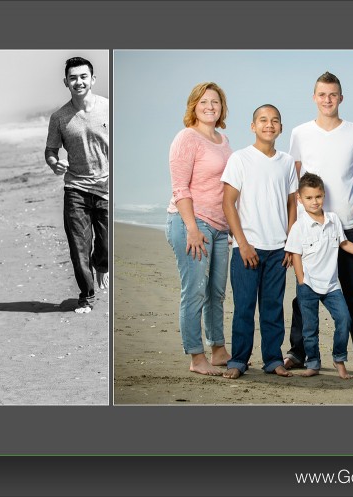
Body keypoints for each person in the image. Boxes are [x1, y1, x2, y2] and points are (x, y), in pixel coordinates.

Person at [283, 72, 353, 372]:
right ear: (314, 97)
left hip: (345, 227)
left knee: (352, 294)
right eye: (322, 94)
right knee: (304, 293)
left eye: (333, 94)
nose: (327, 100)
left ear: (341, 98)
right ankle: (298, 352)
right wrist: (292, 232)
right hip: (309, 230)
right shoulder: (299, 133)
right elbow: (295, 186)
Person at [220, 104, 297, 379]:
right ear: (253, 126)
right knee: (243, 308)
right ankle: (238, 360)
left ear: (280, 127)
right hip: (247, 248)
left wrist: (291, 244)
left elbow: (292, 206)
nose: (269, 124)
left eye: (275, 120)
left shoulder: (287, 162)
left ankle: (272, 359)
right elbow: (228, 203)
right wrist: (242, 243)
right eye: (263, 120)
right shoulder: (240, 159)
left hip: (278, 249)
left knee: (273, 308)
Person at [164, 82, 232, 376]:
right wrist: (192, 228)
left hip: (219, 228)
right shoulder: (186, 138)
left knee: (216, 292)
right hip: (192, 224)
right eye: (204, 102)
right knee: (194, 292)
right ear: (193, 105)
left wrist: (229, 227)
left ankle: (217, 349)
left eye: (215, 102)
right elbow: (180, 187)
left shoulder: (223, 139)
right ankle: (196, 356)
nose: (210, 107)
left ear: (222, 107)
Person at [45, 56, 110, 315]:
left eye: (83, 76)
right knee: (78, 246)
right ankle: (86, 296)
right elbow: (50, 151)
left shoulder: (109, 108)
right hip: (75, 190)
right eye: (73, 78)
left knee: (105, 247)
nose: (78, 81)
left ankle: (101, 266)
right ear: (66, 82)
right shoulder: (59, 117)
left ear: (93, 79)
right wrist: (54, 163)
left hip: (106, 189)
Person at [285, 173, 353, 378]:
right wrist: (301, 280)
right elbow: (296, 255)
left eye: (318, 196)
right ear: (300, 199)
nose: (314, 202)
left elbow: (343, 244)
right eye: (308, 198)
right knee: (310, 328)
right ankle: (313, 363)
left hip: (332, 285)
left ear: (323, 195)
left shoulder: (333, 220)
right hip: (308, 284)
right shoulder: (299, 227)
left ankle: (339, 359)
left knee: (344, 319)